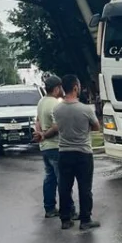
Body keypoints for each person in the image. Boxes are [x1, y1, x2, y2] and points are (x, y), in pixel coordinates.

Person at [42, 74, 102, 230]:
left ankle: (65, 219)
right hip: (83, 154)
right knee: (85, 188)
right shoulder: (85, 109)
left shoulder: (57, 109)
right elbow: (96, 127)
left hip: (64, 153)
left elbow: (57, 128)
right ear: (76, 87)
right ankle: (85, 220)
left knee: (64, 187)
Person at [34, 75, 75, 219]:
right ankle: (69, 210)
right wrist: (45, 134)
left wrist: (39, 134)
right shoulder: (56, 104)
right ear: (57, 88)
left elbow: (37, 120)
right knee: (63, 180)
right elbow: (57, 126)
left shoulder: (41, 102)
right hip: (56, 146)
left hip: (44, 148)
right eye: (61, 87)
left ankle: (50, 208)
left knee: (49, 178)